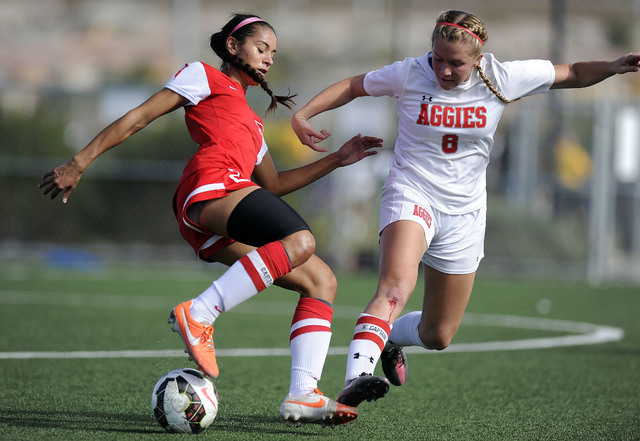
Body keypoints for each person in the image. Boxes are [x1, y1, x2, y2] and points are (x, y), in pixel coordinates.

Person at [38, 13, 383, 427]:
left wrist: (337, 160)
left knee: (321, 280)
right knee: (301, 241)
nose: (269, 58)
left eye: (274, 53)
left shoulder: (254, 124)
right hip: (211, 186)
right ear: (233, 46)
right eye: (262, 47)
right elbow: (139, 117)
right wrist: (80, 161)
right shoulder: (202, 75)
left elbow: (271, 185)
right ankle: (199, 314)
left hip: (226, 202)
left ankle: (302, 395)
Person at [291, 9, 640, 407]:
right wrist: (303, 114)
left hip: (465, 213)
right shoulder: (410, 72)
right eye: (437, 58)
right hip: (412, 192)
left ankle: (389, 340)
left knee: (438, 334)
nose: (442, 69)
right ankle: (357, 377)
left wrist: (613, 66)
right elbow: (355, 85)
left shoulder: (503, 77)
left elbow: (572, 73)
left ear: (478, 59)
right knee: (395, 288)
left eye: (454, 63)